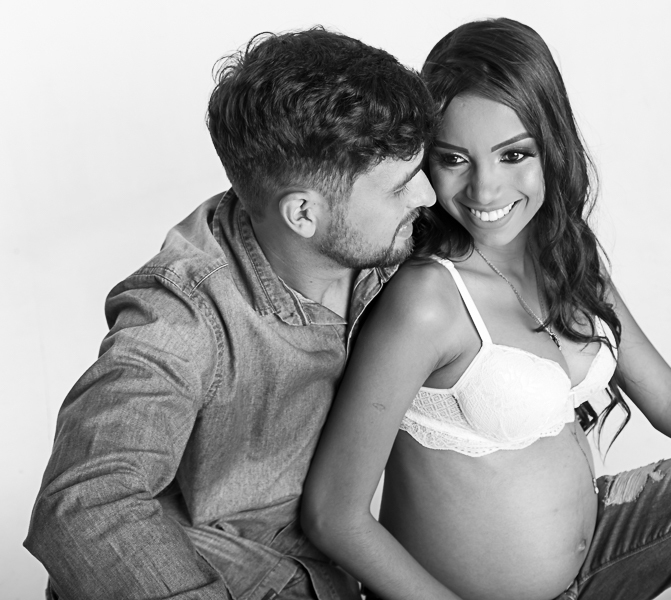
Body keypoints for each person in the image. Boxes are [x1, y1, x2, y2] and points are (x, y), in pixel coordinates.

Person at [300, 18, 671, 600]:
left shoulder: (564, 256)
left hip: (603, 552)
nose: (484, 191)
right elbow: (334, 514)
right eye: (455, 159)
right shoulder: (427, 300)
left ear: (551, 145)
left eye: (513, 155)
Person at [24, 28, 435, 600]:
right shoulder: (182, 316)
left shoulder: (381, 240)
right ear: (302, 214)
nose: (427, 197)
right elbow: (85, 501)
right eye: (400, 188)